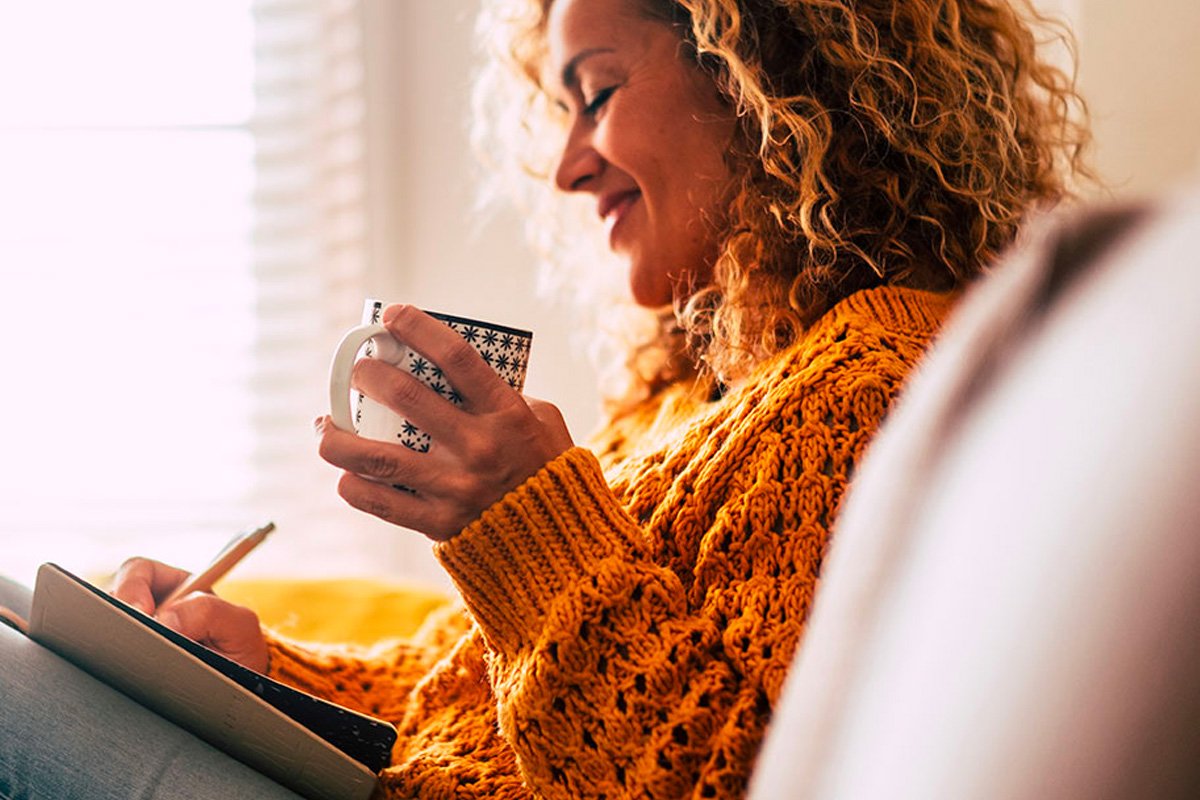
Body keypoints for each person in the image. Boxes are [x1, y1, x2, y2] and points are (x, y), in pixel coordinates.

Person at [0, 0, 1089, 797]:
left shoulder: (871, 391)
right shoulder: (701, 390)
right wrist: (262, 672)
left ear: (766, 73)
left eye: (598, 93)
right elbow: (471, 695)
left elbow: (718, 777)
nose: (568, 167)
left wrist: (522, 525)